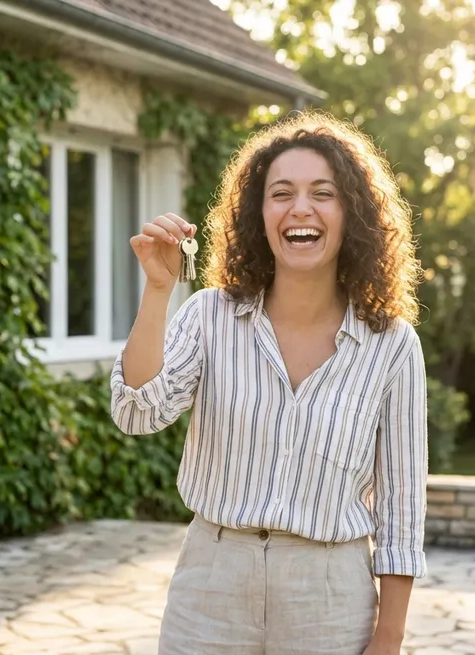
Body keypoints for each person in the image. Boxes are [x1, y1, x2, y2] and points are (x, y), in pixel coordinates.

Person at [110, 110, 428, 655]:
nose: (300, 208)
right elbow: (138, 412)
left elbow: (402, 509)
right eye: (281, 193)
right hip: (211, 585)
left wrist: (389, 638)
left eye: (322, 193)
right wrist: (160, 291)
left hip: (330, 597)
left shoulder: (392, 345)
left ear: (352, 213)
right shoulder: (209, 315)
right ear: (259, 215)